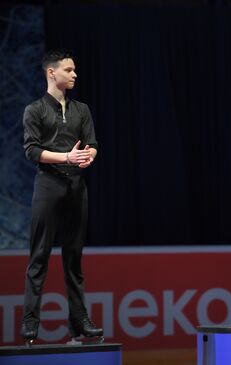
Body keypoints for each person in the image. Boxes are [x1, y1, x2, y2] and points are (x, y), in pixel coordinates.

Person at [21, 50, 103, 344]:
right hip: (48, 186)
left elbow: (93, 145)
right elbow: (31, 150)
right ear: (51, 73)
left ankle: (79, 321)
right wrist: (66, 157)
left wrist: (86, 156)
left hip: (76, 186)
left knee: (74, 258)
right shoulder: (35, 110)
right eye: (69, 70)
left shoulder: (82, 109)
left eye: (75, 70)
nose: (75, 74)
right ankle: (31, 321)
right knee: (39, 256)